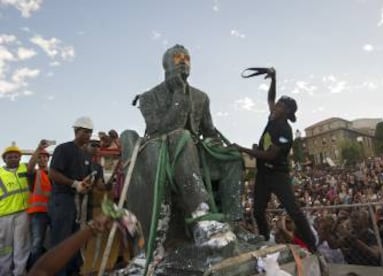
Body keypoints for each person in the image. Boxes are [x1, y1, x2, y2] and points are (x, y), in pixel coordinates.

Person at [124, 44, 244, 250]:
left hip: (197, 153)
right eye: (177, 58)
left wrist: (217, 143)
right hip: (162, 154)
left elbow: (209, 130)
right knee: (182, 136)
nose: (183, 62)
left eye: (187, 58)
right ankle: (200, 215)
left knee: (232, 157)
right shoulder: (148, 97)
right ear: (166, 65)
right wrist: (179, 94)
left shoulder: (201, 97)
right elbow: (160, 130)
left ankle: (234, 223)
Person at [233, 69, 317, 252]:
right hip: (264, 174)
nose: (274, 107)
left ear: (286, 111)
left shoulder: (285, 131)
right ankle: (264, 240)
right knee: (257, 211)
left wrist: (244, 150)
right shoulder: (273, 118)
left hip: (278, 174)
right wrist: (274, 79)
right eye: (277, 104)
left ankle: (312, 245)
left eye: (279, 106)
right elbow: (270, 99)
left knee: (293, 210)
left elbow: (271, 155)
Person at [48, 116, 95, 275]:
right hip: (62, 200)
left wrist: (86, 184)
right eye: (85, 132)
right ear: (76, 131)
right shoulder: (63, 149)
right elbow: (53, 173)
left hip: (77, 203)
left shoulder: (86, 156)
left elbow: (85, 179)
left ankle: (73, 272)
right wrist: (74, 184)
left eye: (90, 132)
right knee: (61, 240)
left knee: (75, 241)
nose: (88, 136)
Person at [0, 143, 32, 275]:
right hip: (4, 216)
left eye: (16, 156)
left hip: (23, 213)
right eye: (10, 157)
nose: (13, 158)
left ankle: (19, 272)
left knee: (21, 245)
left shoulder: (25, 169)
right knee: (5, 247)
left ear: (20, 158)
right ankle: (5, 272)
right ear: (4, 159)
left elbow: (34, 165)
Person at [26, 141, 52, 269]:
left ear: (48, 159)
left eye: (44, 157)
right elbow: (30, 167)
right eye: (40, 157)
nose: (42, 159)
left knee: (54, 242)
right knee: (36, 243)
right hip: (38, 212)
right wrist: (39, 148)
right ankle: (33, 270)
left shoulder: (53, 173)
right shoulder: (35, 174)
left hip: (53, 212)